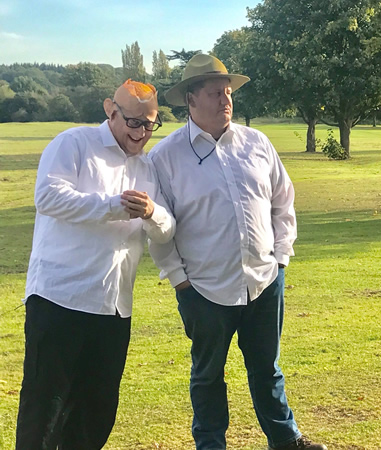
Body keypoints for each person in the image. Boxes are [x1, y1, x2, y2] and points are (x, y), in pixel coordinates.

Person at [148, 54, 325, 450]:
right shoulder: (165, 157)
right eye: (215, 93)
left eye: (228, 92)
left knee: (267, 369)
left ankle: (285, 439)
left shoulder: (256, 142)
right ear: (190, 100)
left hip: (263, 280)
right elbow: (158, 226)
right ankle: (210, 445)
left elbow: (283, 201)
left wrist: (281, 258)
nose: (225, 100)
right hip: (204, 289)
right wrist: (180, 281)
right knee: (207, 375)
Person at [16, 80, 174, 448]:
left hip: (114, 308)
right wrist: (114, 206)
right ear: (110, 110)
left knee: (96, 412)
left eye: (150, 124)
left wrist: (151, 213)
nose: (142, 132)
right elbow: (48, 197)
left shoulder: (147, 168)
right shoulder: (74, 143)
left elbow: (166, 231)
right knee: (45, 410)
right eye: (134, 122)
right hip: (61, 300)